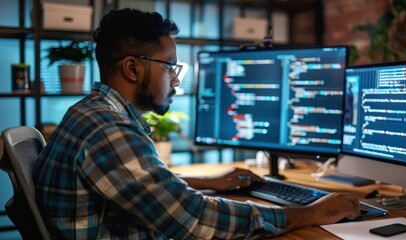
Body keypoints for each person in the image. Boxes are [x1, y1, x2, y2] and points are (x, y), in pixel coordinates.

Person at [33, 8, 360, 239]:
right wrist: (314, 212)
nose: (176, 81)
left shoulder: (90, 112)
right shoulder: (110, 131)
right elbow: (196, 221)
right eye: (169, 67)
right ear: (132, 68)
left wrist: (208, 182)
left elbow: (139, 184)